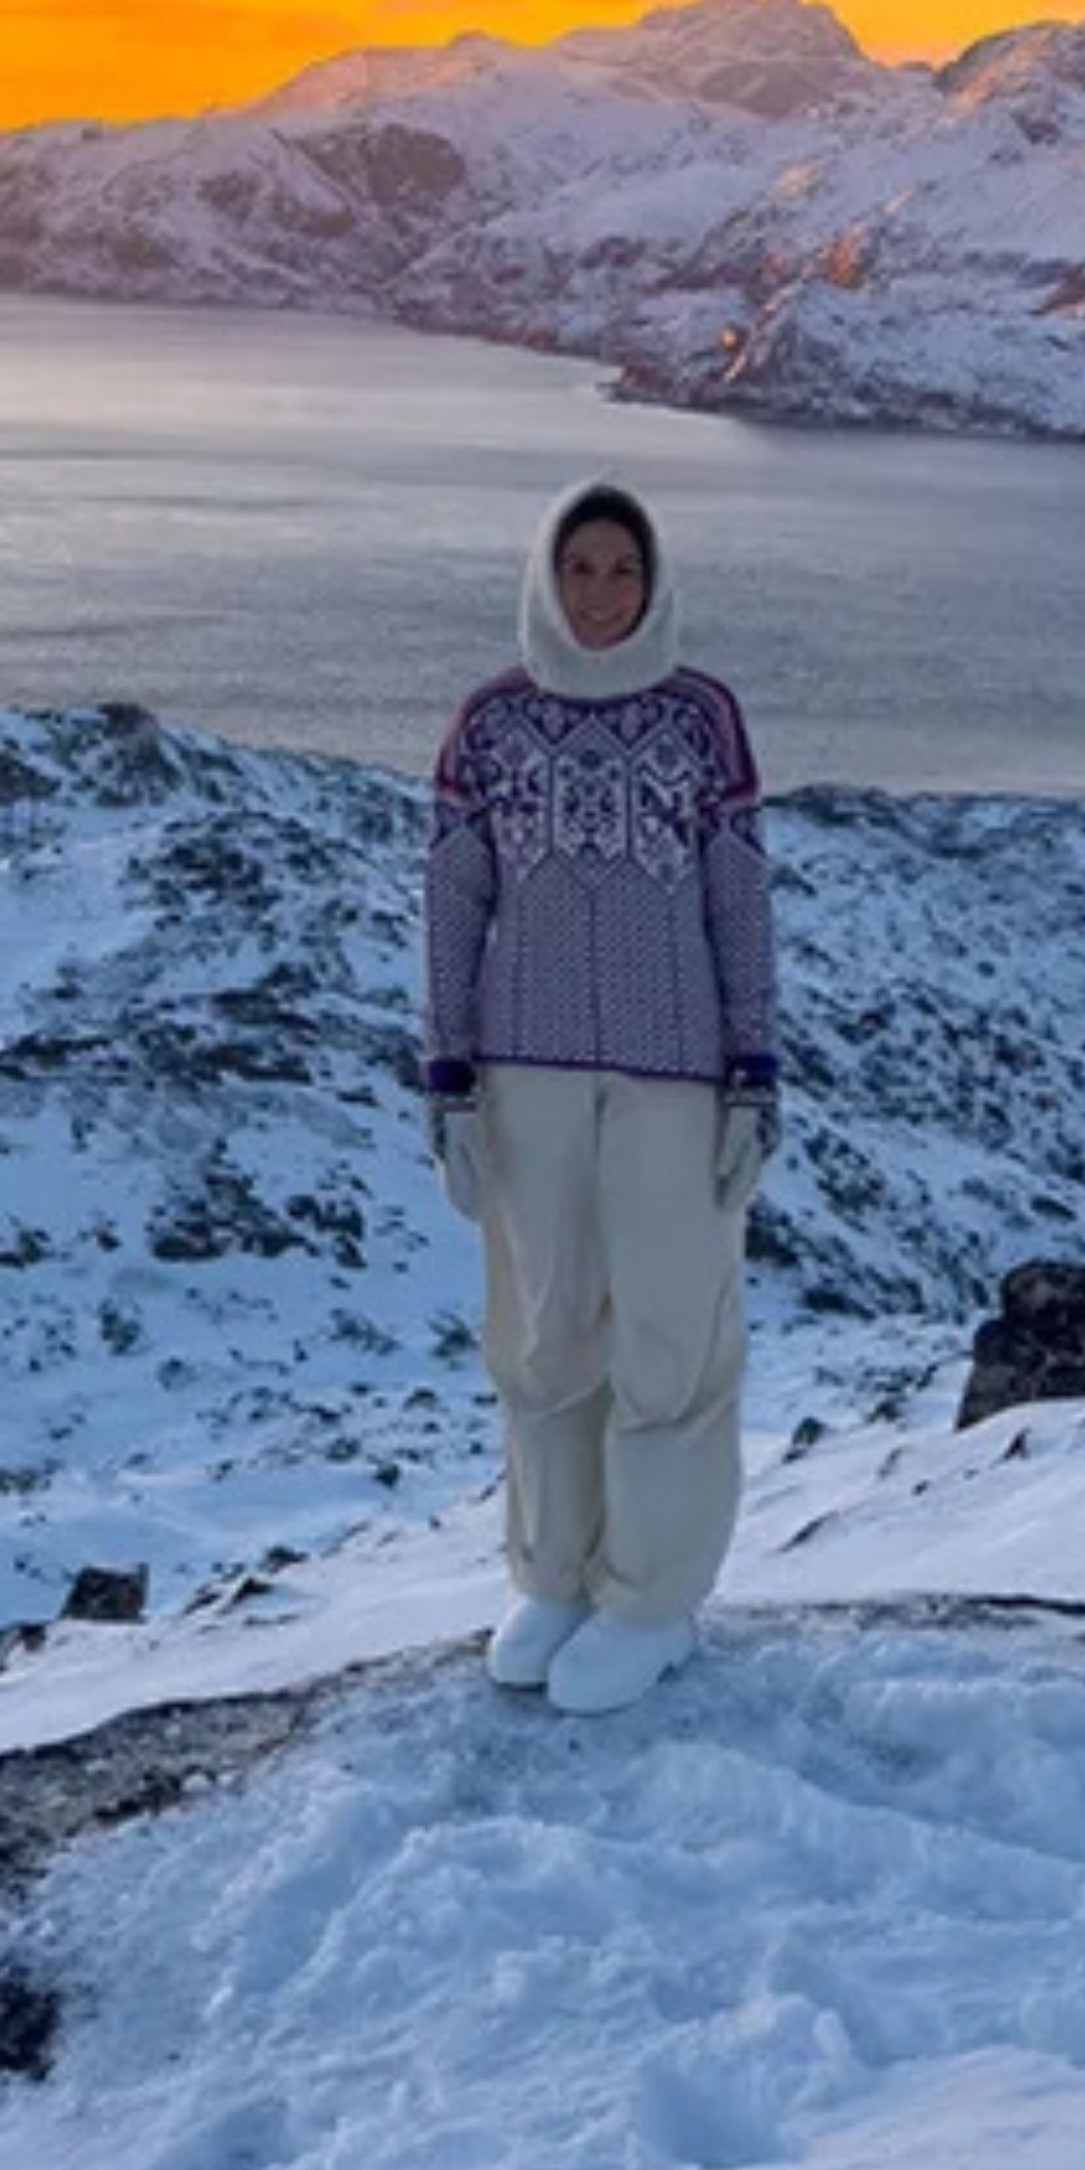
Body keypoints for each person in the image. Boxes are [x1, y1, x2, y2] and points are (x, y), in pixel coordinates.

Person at [418, 478, 778, 1717]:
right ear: (546, 579)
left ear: (657, 581)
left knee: (670, 1338)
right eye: (581, 570)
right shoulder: (489, 726)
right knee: (543, 1338)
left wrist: (755, 1072)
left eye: (625, 571)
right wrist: (450, 1080)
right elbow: (455, 906)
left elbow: (738, 898)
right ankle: (555, 1578)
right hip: (526, 1074)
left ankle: (652, 1599)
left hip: (676, 1074)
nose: (603, 593)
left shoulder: (702, 720)